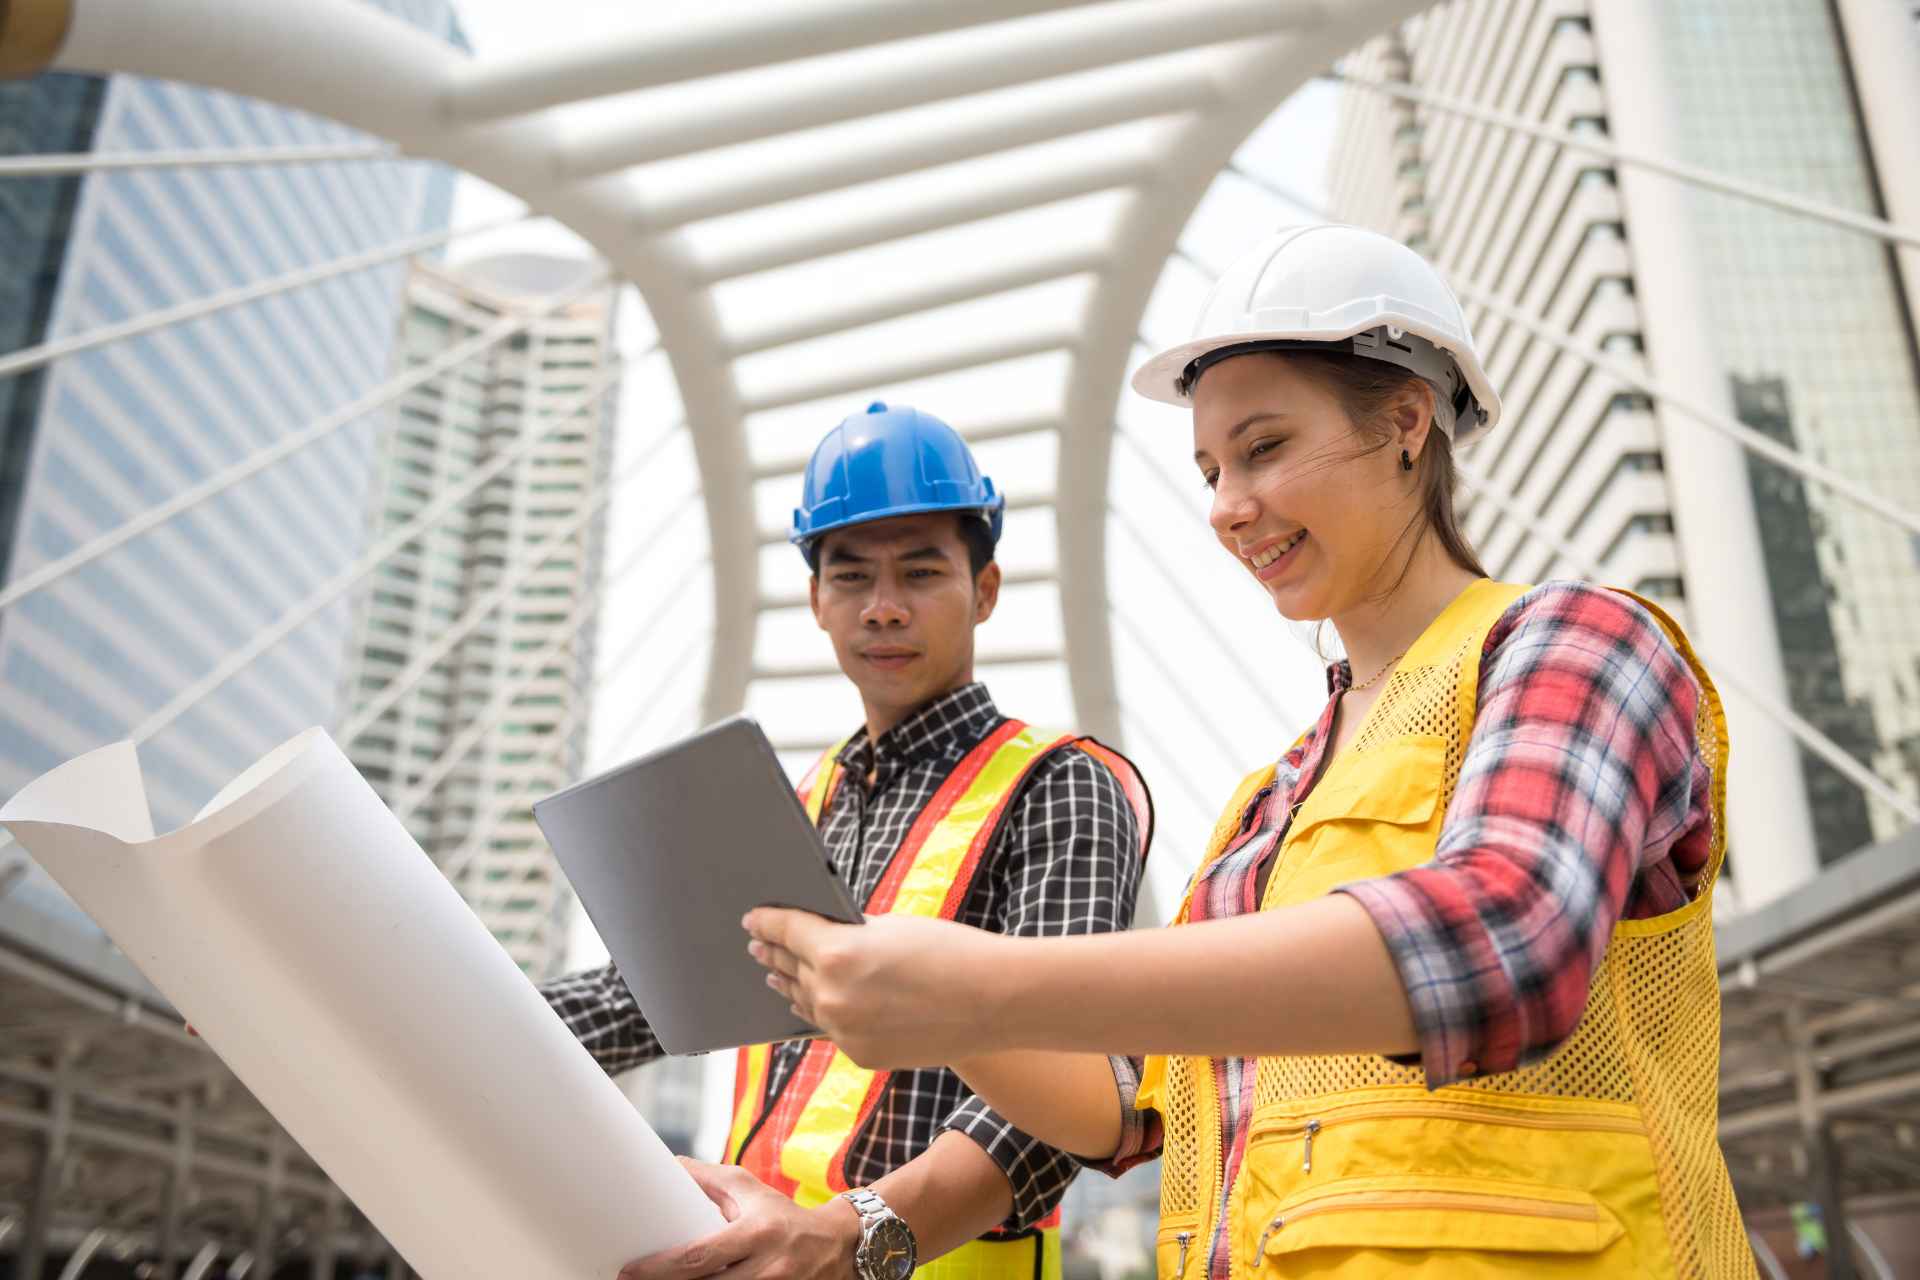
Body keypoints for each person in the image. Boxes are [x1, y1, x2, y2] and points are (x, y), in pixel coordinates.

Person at [745, 227, 1756, 1277]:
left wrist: (986, 982)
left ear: (1407, 422)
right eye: (1212, 467)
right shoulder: (1265, 804)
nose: (1228, 504)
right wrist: (893, 1111)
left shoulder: (1576, 642)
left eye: (1264, 447)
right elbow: (1122, 1106)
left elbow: (1505, 935)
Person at [540, 402, 1153, 1280]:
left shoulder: (1056, 784)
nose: (885, 609)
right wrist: (452, 1016)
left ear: (984, 590)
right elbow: (651, 996)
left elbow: (1073, 1084)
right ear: (817, 601)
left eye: (921, 572)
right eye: (852, 576)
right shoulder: (795, 803)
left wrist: (851, 1236)